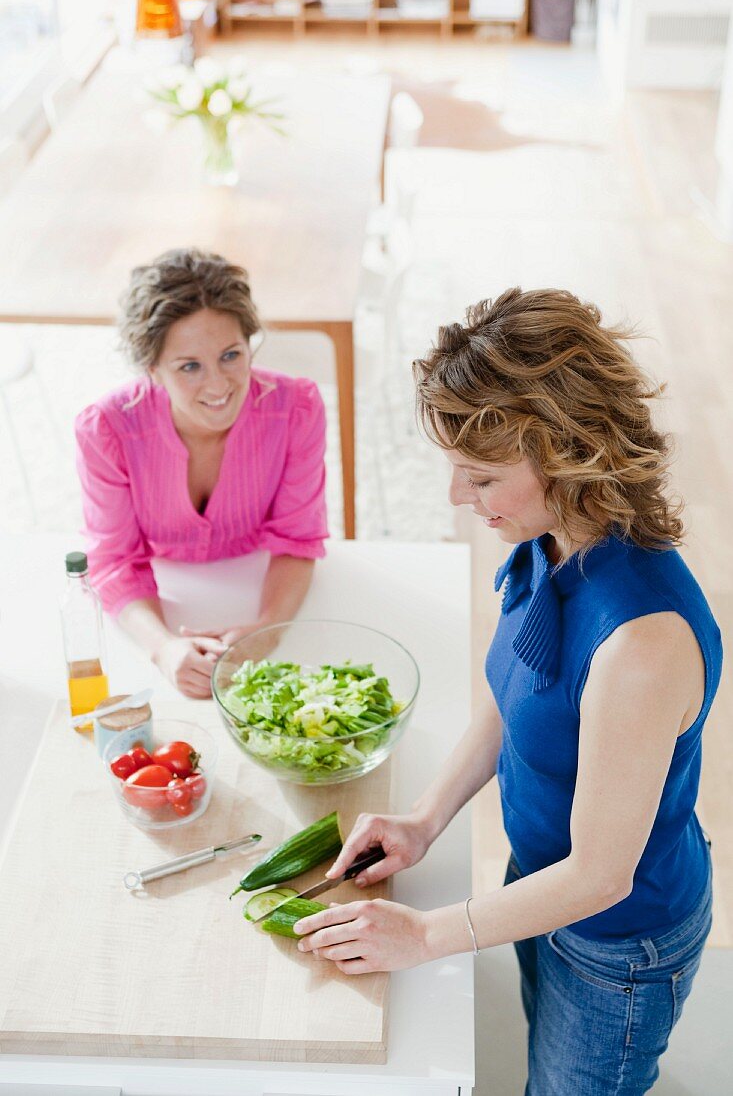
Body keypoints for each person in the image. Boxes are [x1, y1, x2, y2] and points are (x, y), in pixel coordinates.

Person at [292, 287, 722, 1094]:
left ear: (566, 453)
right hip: (537, 884)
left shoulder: (640, 643)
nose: (460, 497)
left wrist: (425, 937)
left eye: (481, 476)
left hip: (616, 945)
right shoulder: (553, 541)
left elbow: (598, 876)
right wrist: (424, 820)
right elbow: (516, 691)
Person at [75, 248, 328, 698]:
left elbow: (297, 538)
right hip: (163, 599)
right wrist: (163, 647)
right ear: (151, 368)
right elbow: (115, 562)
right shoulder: (107, 429)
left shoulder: (298, 409)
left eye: (231, 355)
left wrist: (266, 631)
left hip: (263, 583)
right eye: (189, 366)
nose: (218, 385)